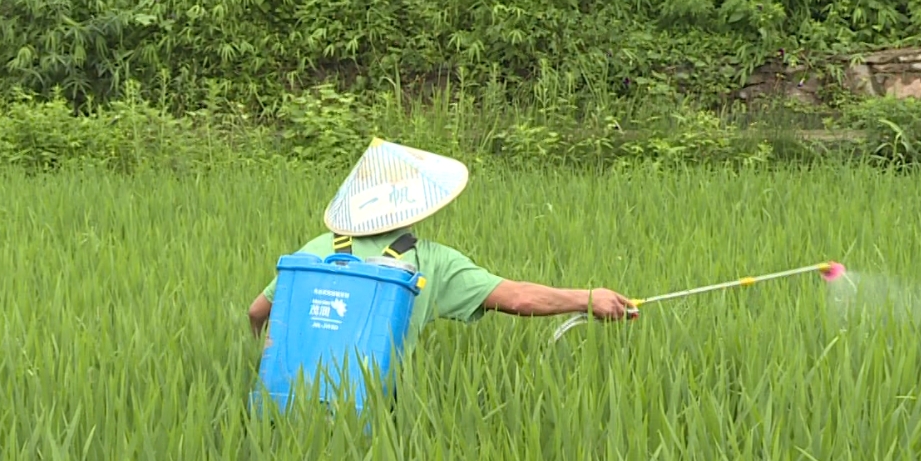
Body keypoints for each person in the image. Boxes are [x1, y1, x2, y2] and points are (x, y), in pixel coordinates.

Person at [247, 138, 633, 349]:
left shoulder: (315, 249)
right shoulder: (431, 261)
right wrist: (588, 298)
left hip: (281, 404)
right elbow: (517, 298)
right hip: (371, 405)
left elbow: (256, 311)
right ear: (416, 204)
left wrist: (259, 353)